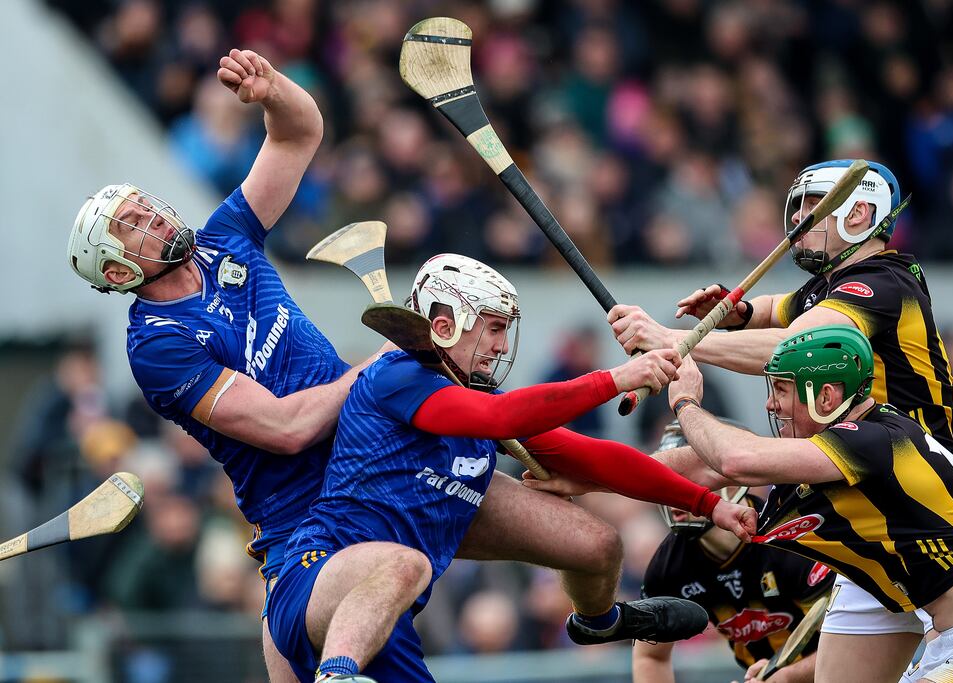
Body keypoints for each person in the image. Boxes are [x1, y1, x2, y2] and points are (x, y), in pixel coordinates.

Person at [267, 254, 758, 683]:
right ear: (445, 325)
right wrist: (614, 379)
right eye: (495, 328)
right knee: (405, 561)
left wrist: (708, 503)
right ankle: (337, 676)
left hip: (387, 616)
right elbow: (500, 417)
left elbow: (599, 459)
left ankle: (599, 621)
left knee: (598, 543)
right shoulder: (399, 377)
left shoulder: (475, 398)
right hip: (319, 580)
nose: (503, 346)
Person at [605, 159, 953, 676]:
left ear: (860, 213)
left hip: (917, 493)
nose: (800, 219)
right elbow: (775, 310)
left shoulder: (878, 282)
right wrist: (738, 312)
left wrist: (673, 342)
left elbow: (796, 348)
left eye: (816, 206)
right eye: (799, 206)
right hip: (863, 502)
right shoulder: (830, 287)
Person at [66, 48, 376, 682]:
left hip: (373, 453)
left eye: (146, 205)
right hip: (301, 512)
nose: (154, 215)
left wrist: (272, 91)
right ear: (121, 272)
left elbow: (299, 134)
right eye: (133, 225)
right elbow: (287, 430)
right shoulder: (156, 346)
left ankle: (609, 618)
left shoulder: (224, 239)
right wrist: (380, 367)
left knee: (590, 543)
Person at [664, 325, 953, 682]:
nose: (770, 403)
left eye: (782, 389)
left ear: (826, 398)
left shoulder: (872, 439)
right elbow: (701, 464)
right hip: (948, 637)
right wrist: (608, 467)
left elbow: (733, 459)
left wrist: (686, 403)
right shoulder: (826, 456)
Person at [634, 423, 834, 683]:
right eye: (666, 481)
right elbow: (651, 657)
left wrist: (787, 678)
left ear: (729, 479)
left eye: (685, 479)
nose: (673, 493)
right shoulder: (667, 569)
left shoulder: (790, 541)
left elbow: (858, 643)